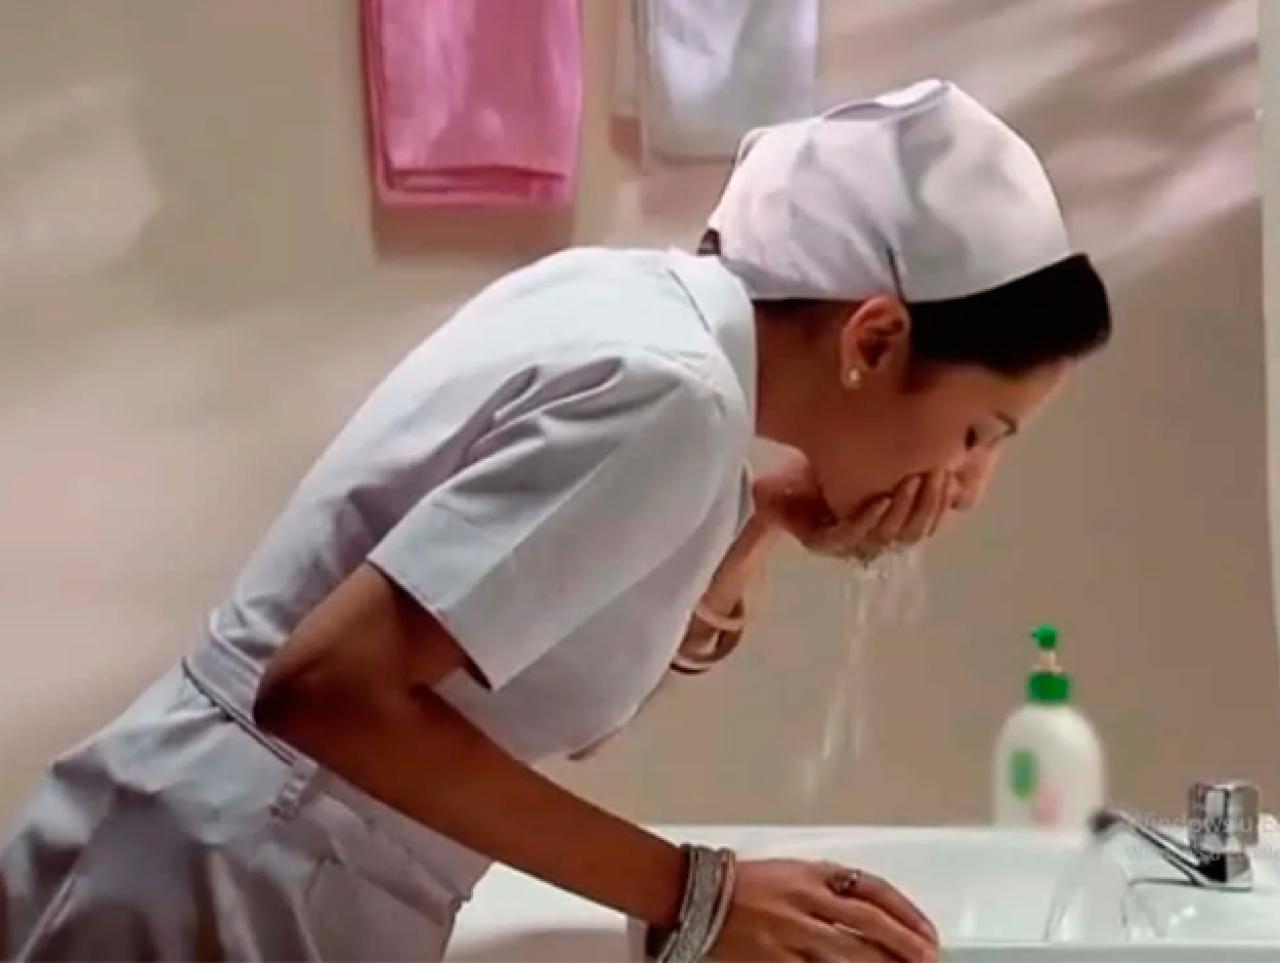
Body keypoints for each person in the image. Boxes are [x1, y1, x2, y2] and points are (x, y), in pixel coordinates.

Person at [1, 78, 1110, 962]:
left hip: (205, 842)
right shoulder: (674, 398)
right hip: (229, 883)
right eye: (981, 433)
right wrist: (698, 895)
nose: (968, 484)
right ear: (873, 339)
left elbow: (536, 636)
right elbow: (328, 687)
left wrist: (768, 515)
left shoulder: (633, 313)